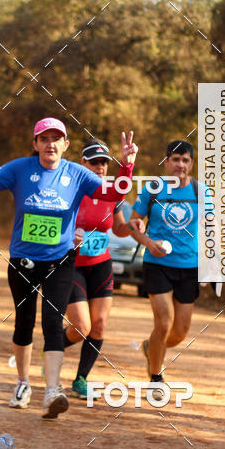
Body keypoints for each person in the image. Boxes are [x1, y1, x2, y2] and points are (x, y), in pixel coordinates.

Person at [0, 118, 138, 419]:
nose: (50, 144)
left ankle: (52, 391)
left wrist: (126, 165)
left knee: (52, 322)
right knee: (24, 323)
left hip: (60, 260)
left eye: (56, 139)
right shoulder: (19, 169)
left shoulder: (77, 174)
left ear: (65, 145)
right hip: (23, 260)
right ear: (35, 144)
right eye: (44, 138)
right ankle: (23, 383)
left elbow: (114, 195)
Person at [64, 140, 145, 399]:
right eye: (94, 162)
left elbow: (118, 229)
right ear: (82, 163)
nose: (100, 167)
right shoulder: (70, 190)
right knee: (80, 328)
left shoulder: (113, 194)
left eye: (104, 163)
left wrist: (133, 226)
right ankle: (53, 346)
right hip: (72, 265)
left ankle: (80, 379)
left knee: (98, 326)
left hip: (101, 264)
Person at [126, 140, 201, 396]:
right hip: (157, 264)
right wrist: (149, 242)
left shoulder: (201, 192)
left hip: (189, 267)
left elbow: (211, 232)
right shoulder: (153, 189)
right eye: (176, 159)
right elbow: (133, 223)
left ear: (191, 164)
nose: (180, 164)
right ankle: (156, 378)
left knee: (180, 332)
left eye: (186, 160)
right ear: (166, 161)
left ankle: (151, 347)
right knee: (164, 322)